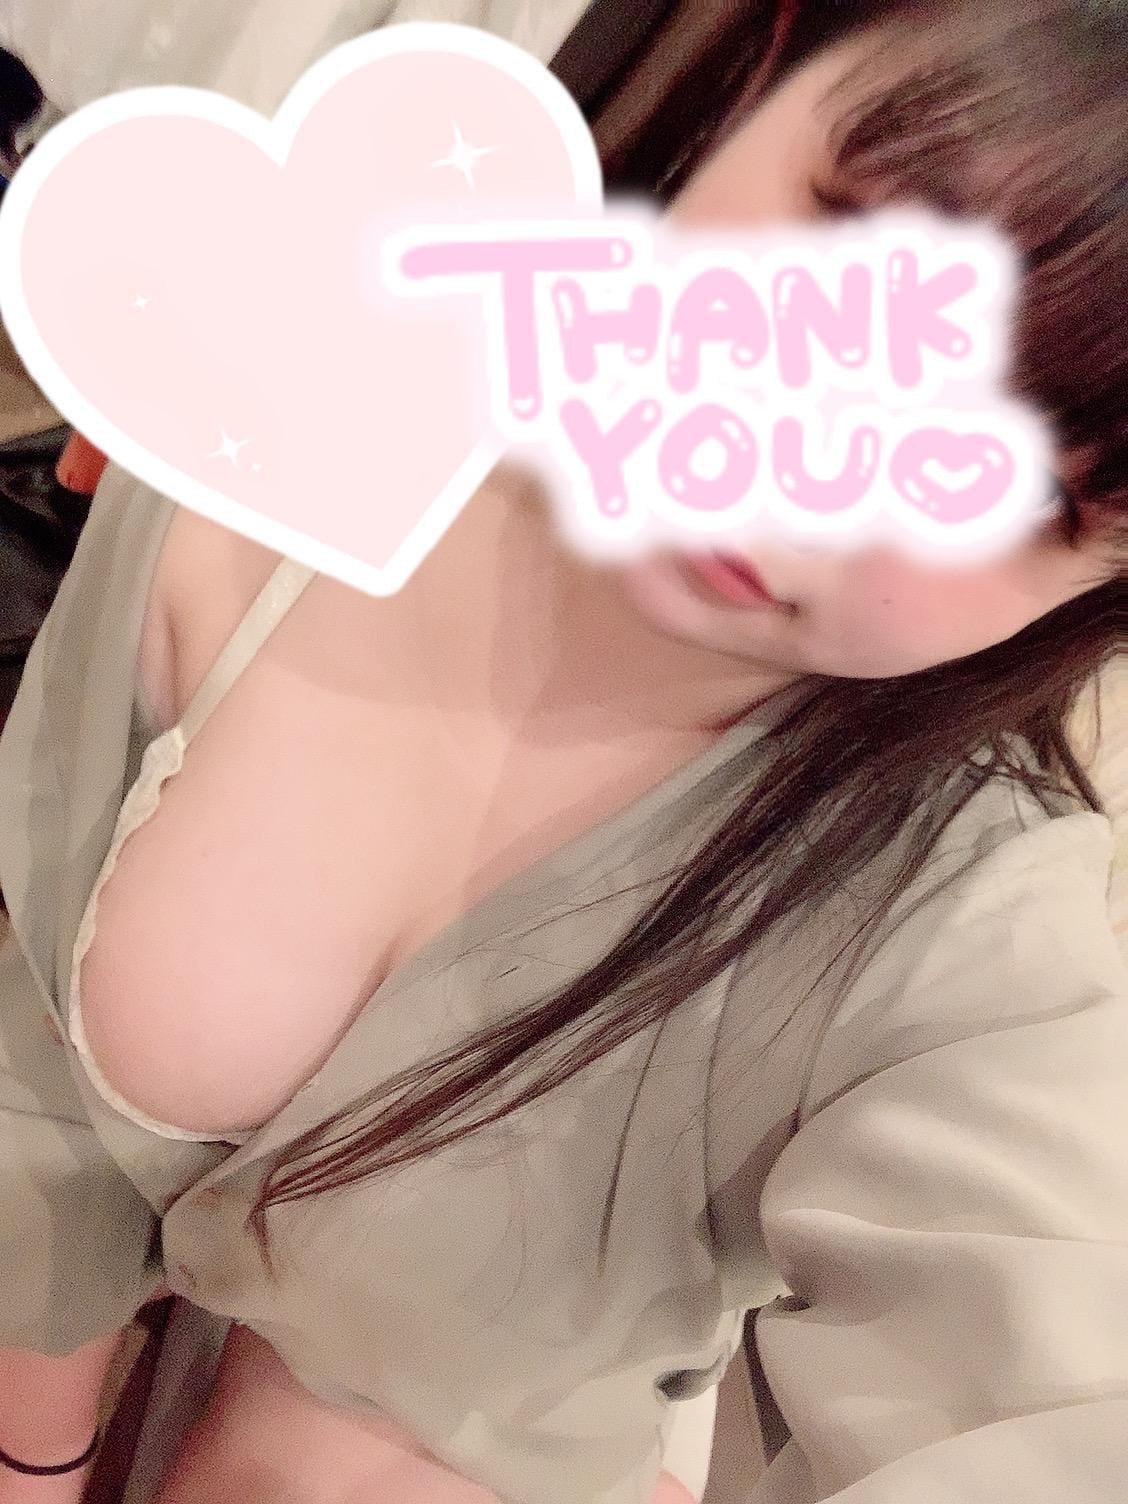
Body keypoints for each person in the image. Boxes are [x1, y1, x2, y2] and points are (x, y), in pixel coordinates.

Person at [0, 2, 1124, 1503]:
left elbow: (1057, 1381)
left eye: (1023, 489)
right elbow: (35, 1067)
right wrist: (34, 1452)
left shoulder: (977, 930)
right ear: (768, 63)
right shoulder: (284, 391)